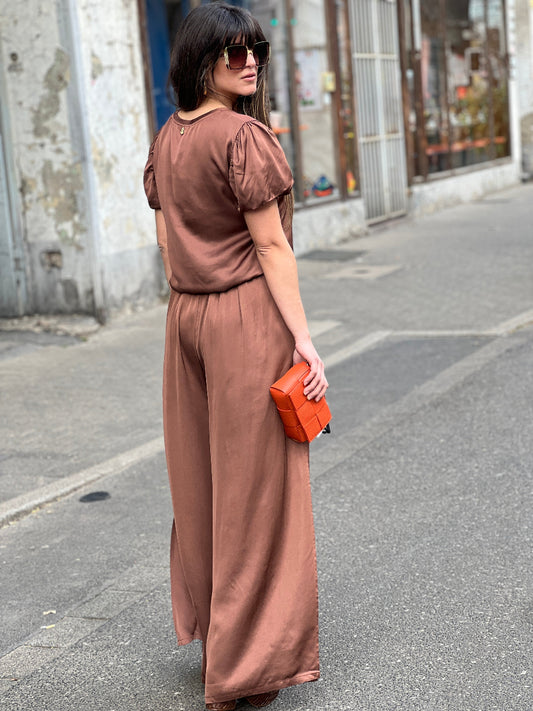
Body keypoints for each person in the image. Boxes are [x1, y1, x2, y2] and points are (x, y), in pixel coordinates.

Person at [143, 3, 328, 709]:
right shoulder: (243, 136)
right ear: (201, 60)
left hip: (185, 319)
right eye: (233, 53)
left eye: (256, 50)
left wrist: (190, 289)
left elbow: (166, 239)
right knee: (257, 490)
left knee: (203, 483)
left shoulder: (169, 137)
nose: (249, 63)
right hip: (243, 317)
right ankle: (245, 669)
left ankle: (221, 645)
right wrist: (303, 339)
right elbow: (271, 246)